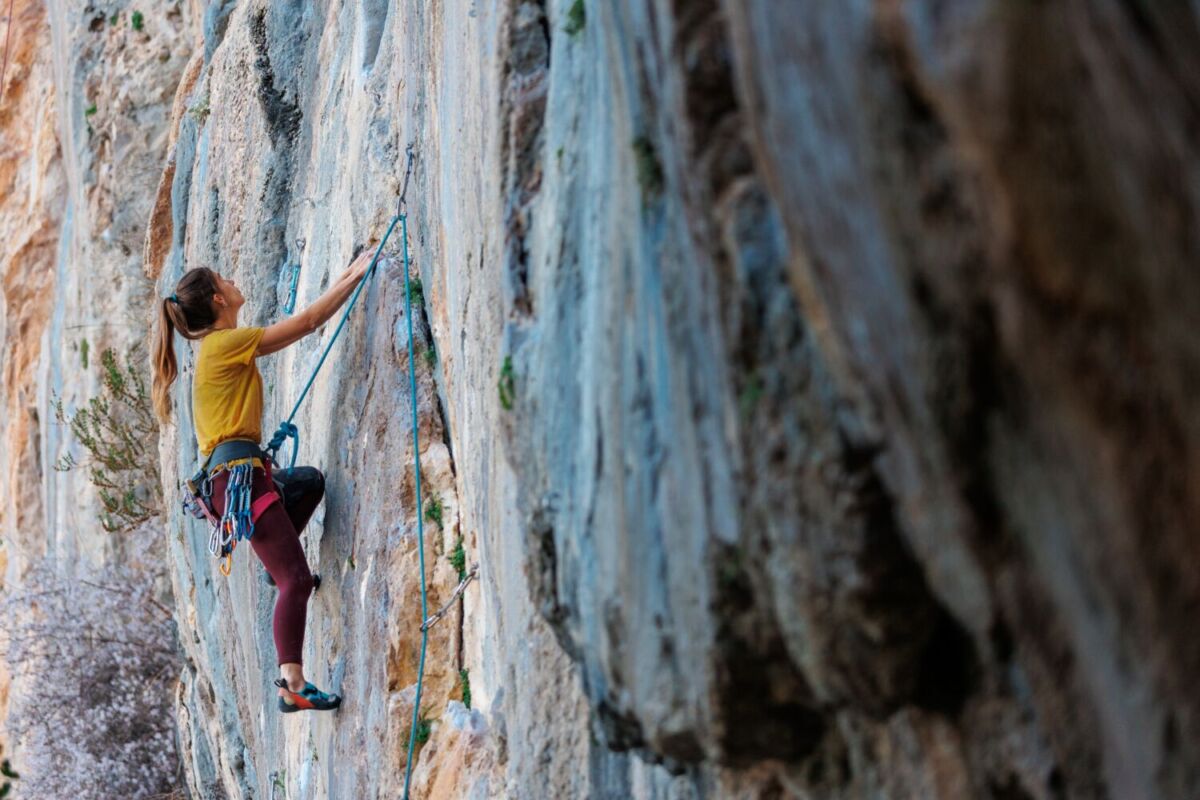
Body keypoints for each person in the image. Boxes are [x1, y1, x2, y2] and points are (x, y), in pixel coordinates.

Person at [151, 246, 376, 712]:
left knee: (309, 483)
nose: (234, 281)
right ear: (217, 298)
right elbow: (308, 322)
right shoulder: (222, 344)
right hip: (240, 482)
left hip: (242, 476)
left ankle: (277, 564)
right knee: (296, 581)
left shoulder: (216, 347)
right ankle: (290, 683)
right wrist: (354, 273)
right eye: (225, 278)